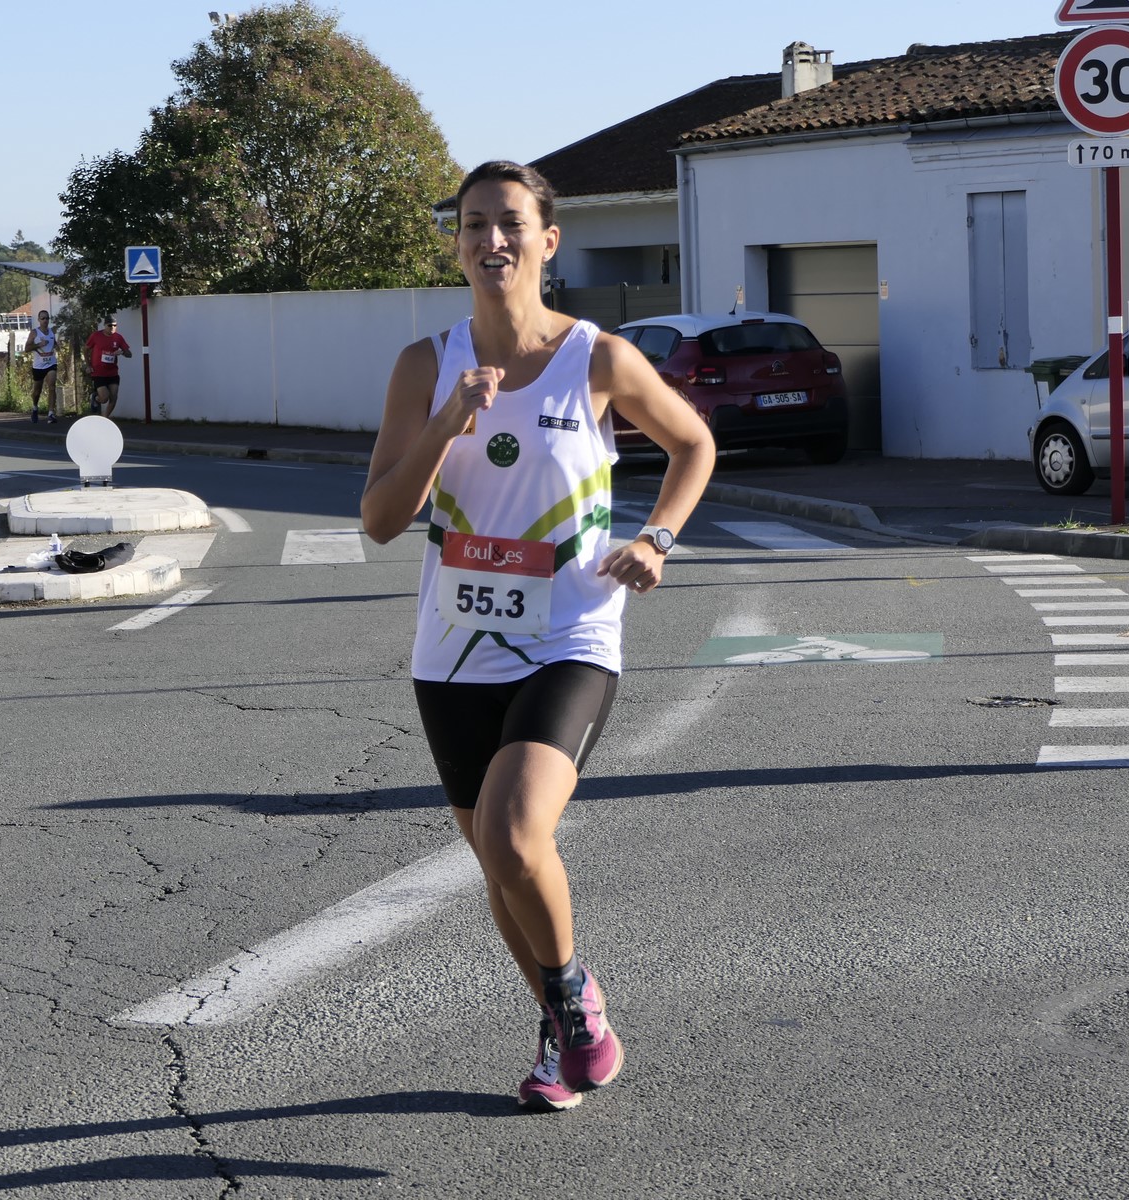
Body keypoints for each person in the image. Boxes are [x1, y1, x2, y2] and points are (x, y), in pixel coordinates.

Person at [361, 161, 716, 1113]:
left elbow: (693, 444)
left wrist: (657, 537)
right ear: (458, 245)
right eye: (474, 224)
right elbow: (381, 520)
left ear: (547, 242)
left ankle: (573, 1000)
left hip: (571, 635)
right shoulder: (424, 365)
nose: (493, 241)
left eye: (511, 223)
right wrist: (447, 420)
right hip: (454, 648)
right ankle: (563, 1034)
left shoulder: (597, 358)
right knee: (499, 862)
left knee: (516, 836)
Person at [83, 316, 132, 418]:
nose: (112, 328)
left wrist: (122, 352)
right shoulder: (96, 336)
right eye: (110, 325)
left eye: (115, 325)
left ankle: (104, 419)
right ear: (105, 325)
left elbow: (129, 354)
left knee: (113, 398)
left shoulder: (118, 338)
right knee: (104, 398)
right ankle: (95, 398)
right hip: (98, 372)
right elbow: (85, 349)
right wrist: (88, 365)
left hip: (112, 373)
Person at [25, 309, 59, 424]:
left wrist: (57, 346)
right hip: (39, 366)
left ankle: (51, 413)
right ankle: (35, 407)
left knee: (52, 386)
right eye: (43, 318)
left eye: (47, 318)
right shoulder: (34, 333)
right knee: (37, 392)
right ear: (39, 320)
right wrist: (39, 344)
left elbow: (54, 343)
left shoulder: (51, 332)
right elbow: (27, 349)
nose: (45, 320)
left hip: (51, 363)